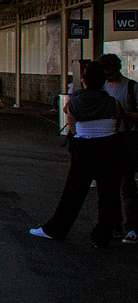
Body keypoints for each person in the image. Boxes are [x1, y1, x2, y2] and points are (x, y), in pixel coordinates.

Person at [31, 64, 125, 246]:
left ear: (84, 81)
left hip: (85, 147)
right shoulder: (113, 103)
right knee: (109, 193)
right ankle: (102, 236)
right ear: (104, 82)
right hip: (109, 147)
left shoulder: (74, 103)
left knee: (74, 192)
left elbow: (73, 128)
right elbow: (117, 123)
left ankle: (56, 229)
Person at [99, 53, 138, 242]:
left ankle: (132, 226)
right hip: (108, 139)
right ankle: (115, 224)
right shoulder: (102, 87)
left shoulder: (131, 87)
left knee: (127, 184)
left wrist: (123, 114)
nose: (109, 77)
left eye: (112, 73)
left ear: (119, 68)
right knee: (109, 185)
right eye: (106, 74)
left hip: (126, 139)